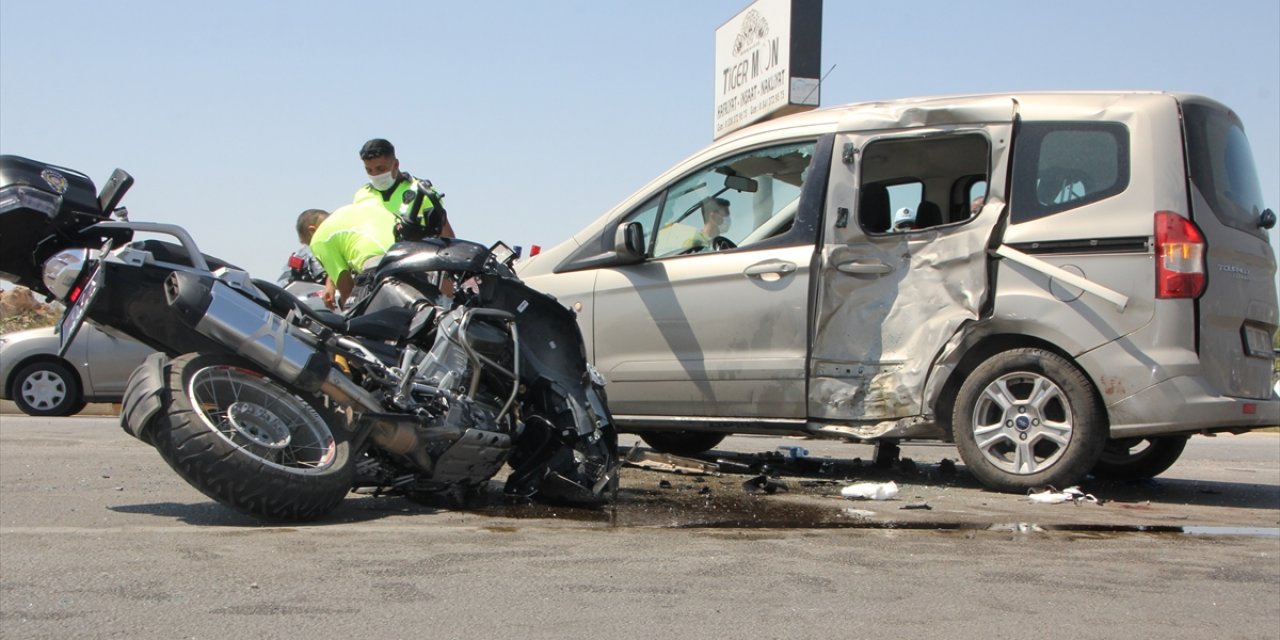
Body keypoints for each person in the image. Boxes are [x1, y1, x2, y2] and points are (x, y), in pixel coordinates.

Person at [299, 200, 398, 310]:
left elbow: (346, 287)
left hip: (378, 264)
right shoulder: (352, 211)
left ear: (312, 230)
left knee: (354, 312)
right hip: (407, 250)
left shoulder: (319, 238)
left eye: (308, 242)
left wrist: (346, 310)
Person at [355, 138, 455, 239]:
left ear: (396, 164)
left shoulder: (421, 191)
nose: (375, 175)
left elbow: (448, 240)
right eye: (369, 170)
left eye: (380, 169)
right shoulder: (362, 194)